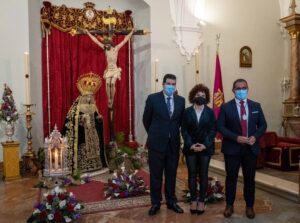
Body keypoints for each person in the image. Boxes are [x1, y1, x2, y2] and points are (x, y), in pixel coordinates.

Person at [217, 79, 267, 219]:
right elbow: (220, 126)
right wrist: (236, 137)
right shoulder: (226, 107)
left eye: (244, 87)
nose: (241, 90)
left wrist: (255, 137)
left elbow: (263, 125)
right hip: (232, 149)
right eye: (238, 88)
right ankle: (229, 205)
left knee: (250, 179)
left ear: (247, 89)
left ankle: (249, 206)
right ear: (233, 90)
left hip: (250, 149)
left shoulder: (256, 106)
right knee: (231, 178)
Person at [143, 73, 185, 216]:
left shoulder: (181, 101)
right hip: (156, 144)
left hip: (173, 144)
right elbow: (146, 120)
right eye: (168, 83)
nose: (171, 86)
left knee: (171, 174)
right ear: (163, 84)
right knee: (156, 175)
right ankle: (155, 203)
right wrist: (156, 134)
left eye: (173, 84)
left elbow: (180, 122)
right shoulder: (153, 99)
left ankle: (171, 201)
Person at [62, 73, 108, 175]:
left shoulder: (93, 106)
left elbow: (96, 117)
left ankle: (95, 165)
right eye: (88, 96)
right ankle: (82, 166)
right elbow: (71, 118)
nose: (89, 99)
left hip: (92, 133)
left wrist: (99, 118)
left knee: (94, 147)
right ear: (83, 96)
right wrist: (82, 117)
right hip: (82, 134)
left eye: (91, 97)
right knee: (83, 148)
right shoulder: (77, 107)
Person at [181, 84, 216, 215]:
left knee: (203, 174)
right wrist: (190, 144)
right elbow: (183, 129)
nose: (200, 97)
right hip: (190, 148)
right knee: (191, 174)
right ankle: (193, 200)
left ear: (206, 97)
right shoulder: (187, 112)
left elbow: (213, 130)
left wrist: (204, 145)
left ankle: (202, 200)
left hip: (205, 149)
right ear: (193, 96)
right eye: (198, 95)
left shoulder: (210, 112)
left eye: (203, 95)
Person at [84, 28, 134, 108]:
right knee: (107, 84)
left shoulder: (116, 48)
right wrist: (88, 33)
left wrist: (131, 32)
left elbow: (125, 40)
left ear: (110, 44)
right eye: (105, 45)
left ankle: (112, 98)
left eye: (107, 44)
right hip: (109, 70)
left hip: (114, 69)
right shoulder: (105, 49)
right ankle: (109, 99)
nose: (106, 46)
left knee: (112, 83)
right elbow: (96, 41)